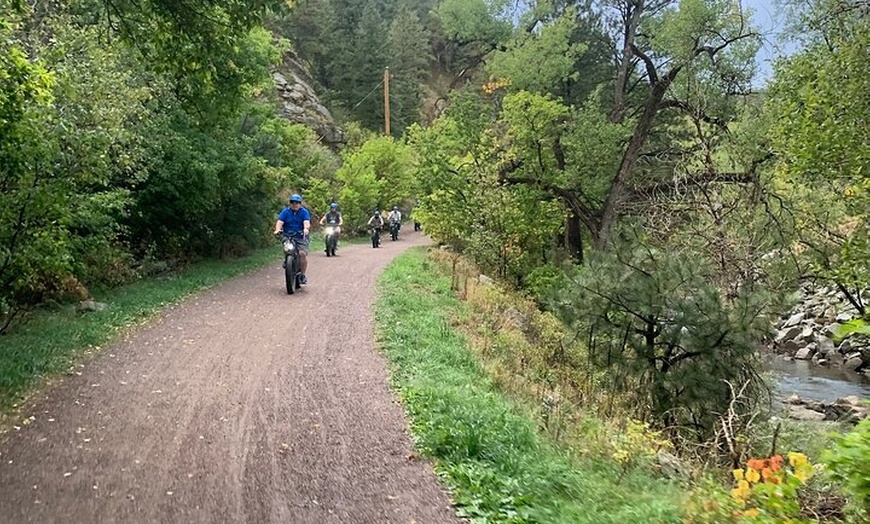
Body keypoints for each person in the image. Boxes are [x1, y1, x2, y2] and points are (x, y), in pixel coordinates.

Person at [273, 194, 311, 284]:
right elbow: (280, 222)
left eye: (297, 203)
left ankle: (302, 275)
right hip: (287, 235)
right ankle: (287, 260)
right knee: (288, 249)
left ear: (300, 203)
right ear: (290, 203)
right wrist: (277, 229)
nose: (295, 204)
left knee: (302, 254)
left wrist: (306, 229)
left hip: (301, 236)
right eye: (293, 202)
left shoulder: (304, 212)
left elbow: (306, 222)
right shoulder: (285, 212)